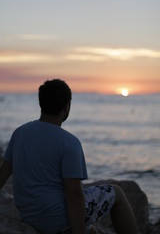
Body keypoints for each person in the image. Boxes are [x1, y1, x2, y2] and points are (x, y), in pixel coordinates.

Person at [0, 79, 138, 234]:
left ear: (41, 103)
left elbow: (3, 174)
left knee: (93, 230)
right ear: (67, 107)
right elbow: (74, 195)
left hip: (29, 215)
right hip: (56, 218)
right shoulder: (69, 143)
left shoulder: (19, 133)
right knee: (117, 192)